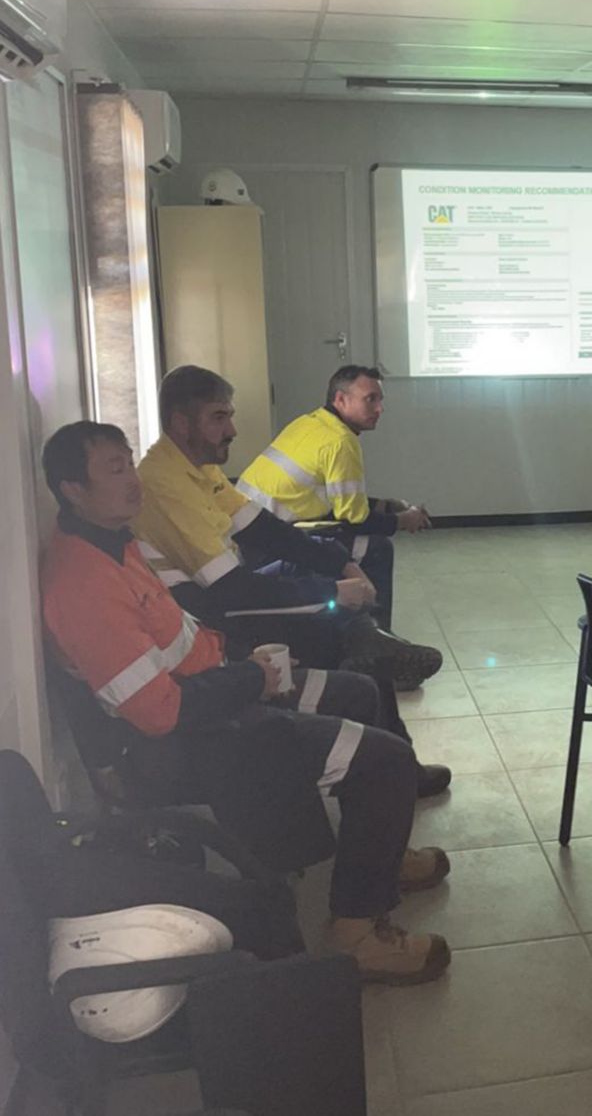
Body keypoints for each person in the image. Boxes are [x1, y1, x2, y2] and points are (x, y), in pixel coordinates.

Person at [40, 421, 452, 985]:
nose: (133, 480)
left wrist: (244, 664)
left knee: (358, 690)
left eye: (129, 461)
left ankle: (380, 854)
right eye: (115, 468)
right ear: (73, 489)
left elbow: (183, 636)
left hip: (220, 690)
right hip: (196, 739)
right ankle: (356, 934)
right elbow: (159, 713)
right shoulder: (84, 581)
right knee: (385, 761)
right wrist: (251, 682)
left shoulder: (115, 543)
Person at [134, 366, 444, 694]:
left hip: (246, 562)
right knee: (339, 588)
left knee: (319, 563)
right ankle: (369, 644)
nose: (232, 430)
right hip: (210, 611)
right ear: (181, 424)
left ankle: (371, 642)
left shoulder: (196, 466)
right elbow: (229, 591)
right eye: (219, 418)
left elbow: (262, 528)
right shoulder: (165, 484)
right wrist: (333, 591)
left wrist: (340, 562)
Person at [237, 365, 432, 628]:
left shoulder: (310, 422)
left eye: (380, 399)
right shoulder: (340, 442)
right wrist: (402, 520)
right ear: (340, 400)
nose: (380, 409)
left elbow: (332, 496)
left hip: (248, 532)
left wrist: (387, 506)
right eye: (370, 399)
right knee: (377, 549)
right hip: (268, 545)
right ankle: (376, 637)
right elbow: (355, 520)